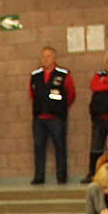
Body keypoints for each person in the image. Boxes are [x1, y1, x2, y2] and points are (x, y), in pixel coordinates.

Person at [31, 45, 74, 185]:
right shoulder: (35, 75)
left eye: (48, 56)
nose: (45, 59)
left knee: (60, 147)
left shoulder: (63, 74)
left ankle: (61, 176)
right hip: (39, 118)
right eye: (43, 56)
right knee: (38, 147)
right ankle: (39, 176)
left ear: (54, 58)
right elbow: (32, 94)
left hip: (56, 118)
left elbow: (70, 94)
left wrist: (59, 108)